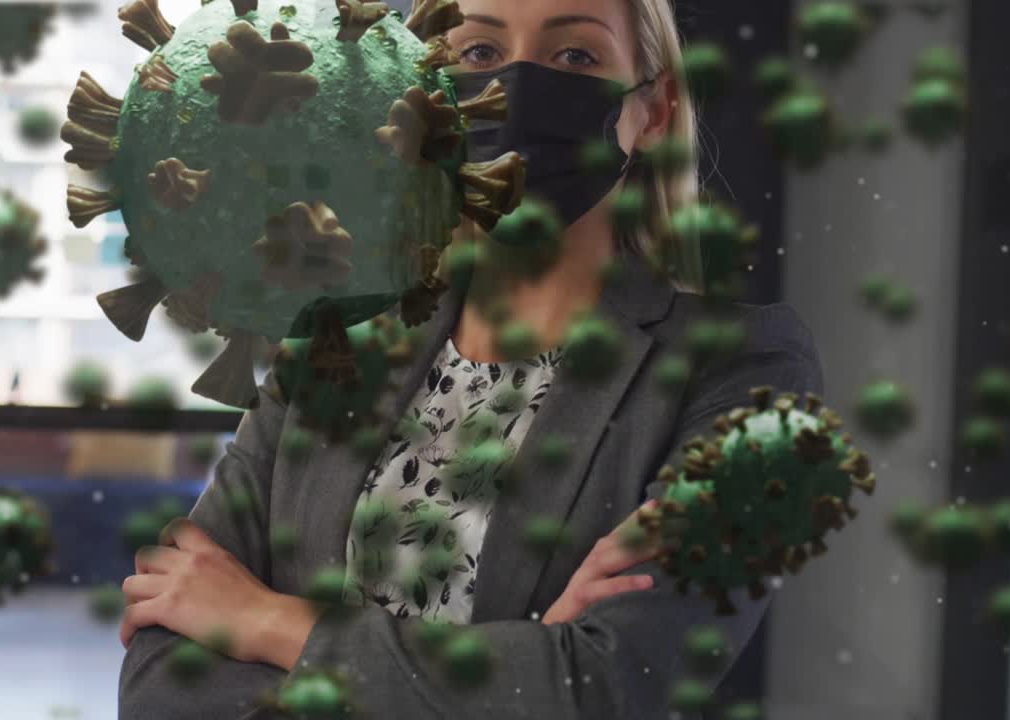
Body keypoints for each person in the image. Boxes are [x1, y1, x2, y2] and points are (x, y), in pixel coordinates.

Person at [116, 0, 822, 718]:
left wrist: (266, 621)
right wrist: (521, 663)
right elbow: (164, 667)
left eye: (575, 56)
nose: (514, 89)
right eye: (478, 54)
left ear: (656, 110)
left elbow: (608, 687)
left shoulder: (747, 371)